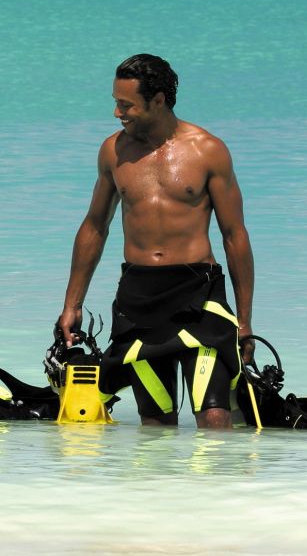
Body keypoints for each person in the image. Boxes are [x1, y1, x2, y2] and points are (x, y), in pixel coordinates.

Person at [56, 55, 255, 428]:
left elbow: (235, 236)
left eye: (126, 104)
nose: (117, 112)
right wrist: (72, 304)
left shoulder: (208, 151)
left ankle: (223, 488)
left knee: (214, 415)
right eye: (116, 102)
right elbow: (95, 227)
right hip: (139, 300)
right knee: (156, 422)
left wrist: (244, 320)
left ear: (159, 100)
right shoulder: (113, 152)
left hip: (198, 296)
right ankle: (157, 488)